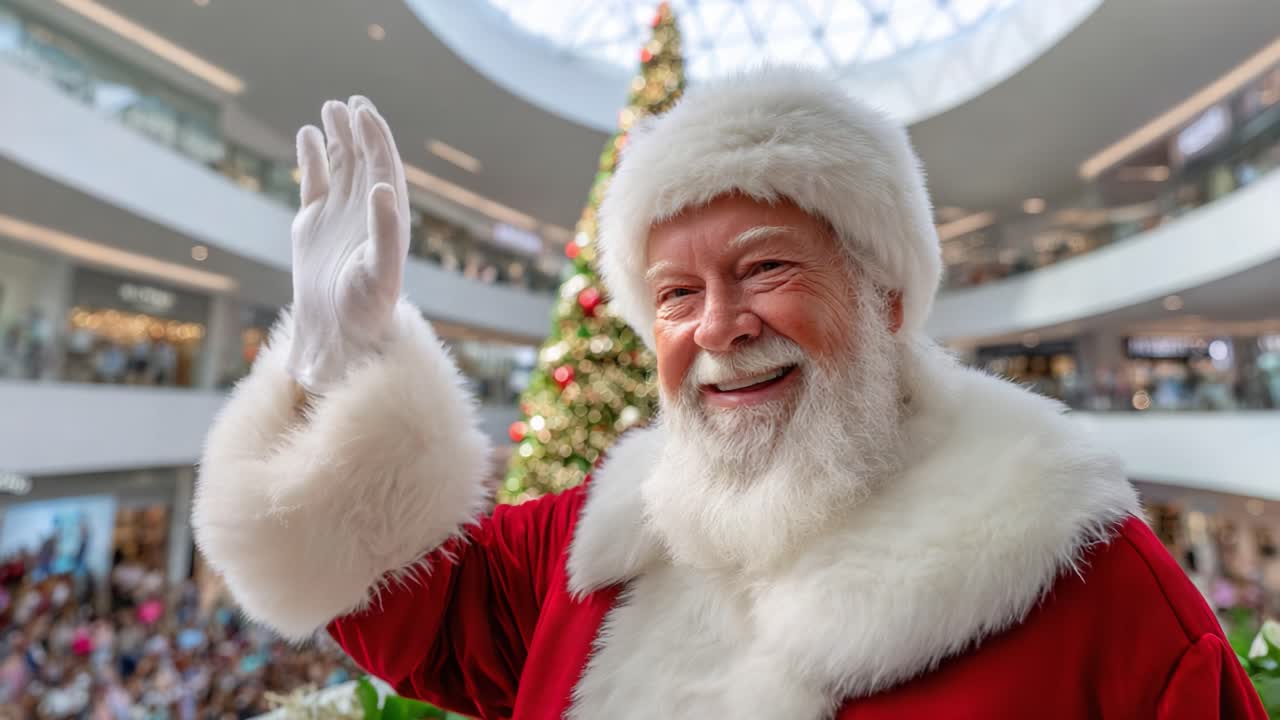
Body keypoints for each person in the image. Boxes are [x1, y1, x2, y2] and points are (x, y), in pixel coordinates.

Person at [192, 68, 1263, 719]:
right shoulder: (596, 540)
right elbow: (408, 600)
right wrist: (335, 365)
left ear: (885, 296)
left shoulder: (1095, 589)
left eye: (764, 269)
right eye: (673, 293)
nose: (715, 328)